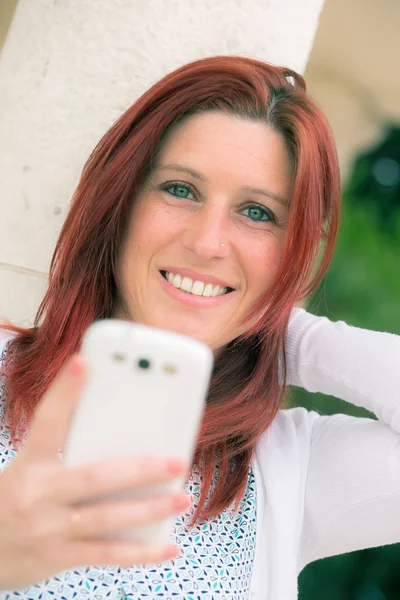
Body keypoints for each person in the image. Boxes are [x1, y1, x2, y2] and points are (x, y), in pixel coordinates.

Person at [0, 55, 398, 600]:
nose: (208, 242)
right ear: (119, 204)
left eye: (258, 213)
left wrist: (282, 328)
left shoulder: (290, 469)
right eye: (180, 190)